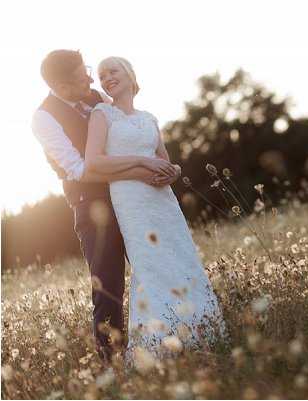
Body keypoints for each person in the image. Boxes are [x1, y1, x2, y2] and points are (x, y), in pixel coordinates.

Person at [32, 50, 181, 363]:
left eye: (86, 70)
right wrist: (142, 167)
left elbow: (130, 131)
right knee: (109, 286)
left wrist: (157, 165)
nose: (89, 78)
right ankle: (112, 363)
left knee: (156, 267)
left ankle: (171, 337)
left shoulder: (98, 96)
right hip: (94, 207)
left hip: (132, 197)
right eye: (78, 77)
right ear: (59, 85)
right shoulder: (43, 118)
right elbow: (80, 169)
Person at [85, 56, 226, 363]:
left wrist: (173, 170)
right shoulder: (102, 114)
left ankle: (200, 331)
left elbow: (167, 159)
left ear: (130, 75)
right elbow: (94, 162)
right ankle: (159, 345)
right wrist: (141, 162)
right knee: (150, 263)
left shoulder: (149, 118)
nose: (107, 77)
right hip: (131, 198)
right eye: (101, 74)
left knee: (180, 257)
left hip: (162, 199)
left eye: (113, 71)